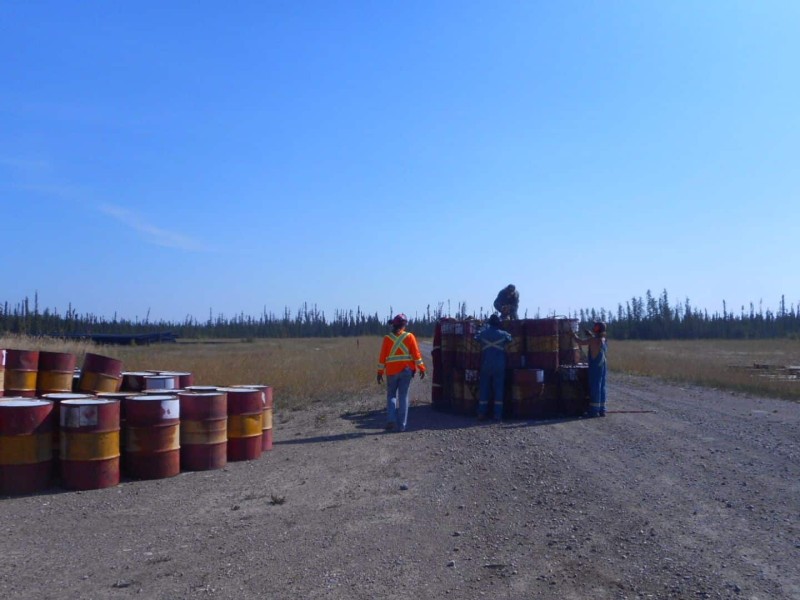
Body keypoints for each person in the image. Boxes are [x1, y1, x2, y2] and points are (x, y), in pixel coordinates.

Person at [377, 313, 426, 432]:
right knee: (403, 396)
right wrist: (421, 368)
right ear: (404, 325)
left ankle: (391, 420)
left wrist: (379, 372)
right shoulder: (410, 337)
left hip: (392, 371)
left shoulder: (387, 338)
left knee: (391, 396)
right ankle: (402, 426)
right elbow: (416, 354)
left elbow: (383, 356)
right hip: (406, 371)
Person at [474, 313, 513, 421]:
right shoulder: (503, 334)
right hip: (499, 365)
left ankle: (481, 413)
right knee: (498, 389)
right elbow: (510, 339)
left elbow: (476, 337)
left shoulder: (483, 333)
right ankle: (497, 415)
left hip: (486, 364)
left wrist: (479, 329)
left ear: (489, 323)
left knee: (484, 388)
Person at [574, 321, 608, 417]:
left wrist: (573, 335)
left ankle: (593, 410)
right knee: (602, 386)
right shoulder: (604, 340)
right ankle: (602, 410)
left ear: (597, 328)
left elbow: (580, 342)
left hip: (595, 367)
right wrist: (590, 335)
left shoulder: (593, 340)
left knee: (595, 386)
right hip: (603, 366)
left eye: (595, 326)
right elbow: (595, 341)